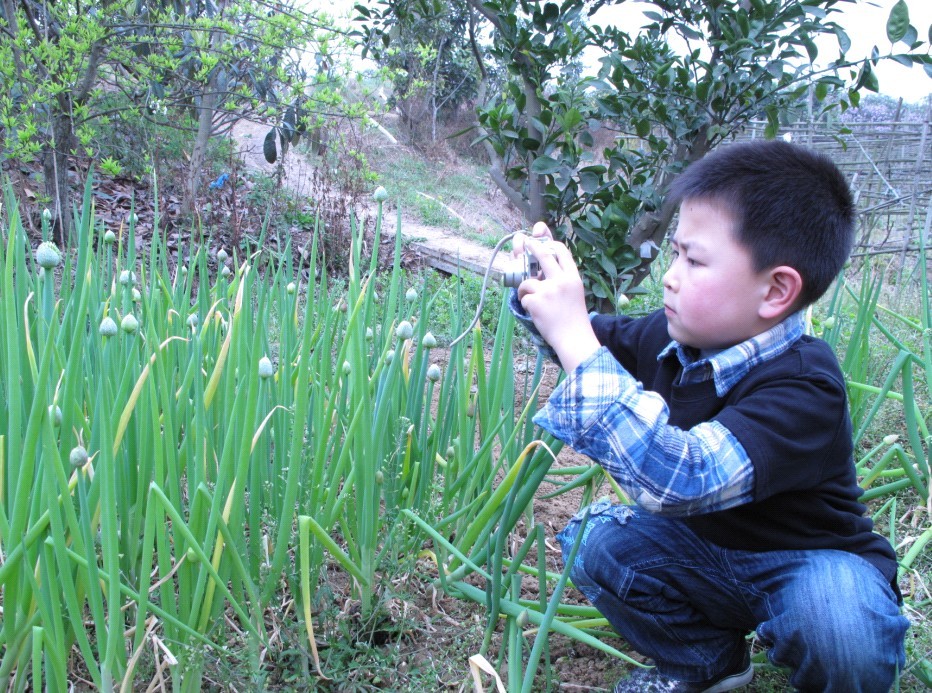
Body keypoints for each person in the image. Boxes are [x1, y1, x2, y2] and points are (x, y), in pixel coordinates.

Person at [510, 140, 909, 692]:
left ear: (776, 291)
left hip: (809, 564)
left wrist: (575, 335)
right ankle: (706, 663)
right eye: (674, 254)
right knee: (596, 544)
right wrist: (535, 288)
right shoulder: (672, 336)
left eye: (693, 260)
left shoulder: (805, 384)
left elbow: (682, 480)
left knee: (840, 627)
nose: (670, 275)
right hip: (704, 553)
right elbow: (579, 340)